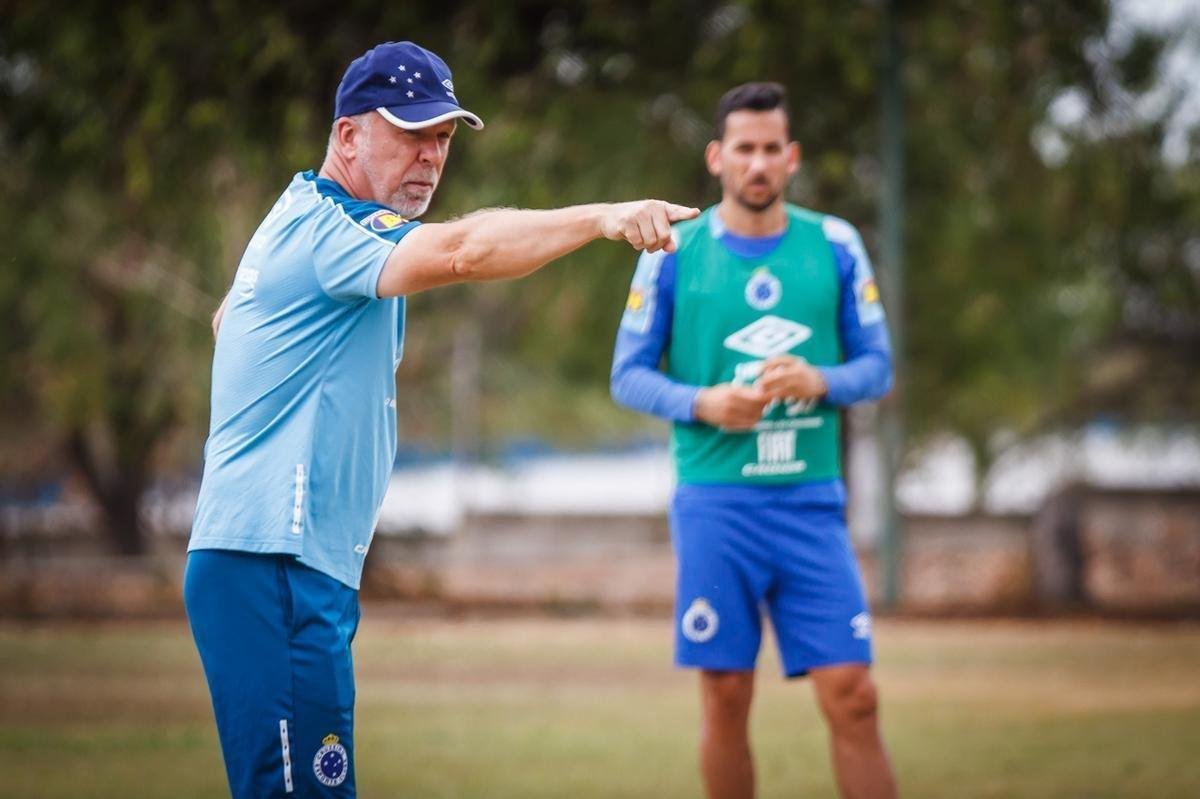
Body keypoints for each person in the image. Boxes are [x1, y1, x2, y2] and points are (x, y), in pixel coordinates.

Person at [185, 40, 697, 798]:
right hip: (274, 562)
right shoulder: (327, 229)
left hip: (288, 562)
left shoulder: (306, 219)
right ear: (347, 135)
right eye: (410, 132)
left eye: (442, 138)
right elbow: (462, 250)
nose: (430, 155)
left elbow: (232, 317)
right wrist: (604, 218)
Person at [610, 82, 898, 799]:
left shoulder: (835, 244)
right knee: (727, 695)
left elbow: (878, 368)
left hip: (810, 502)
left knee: (854, 693)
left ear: (792, 157)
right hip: (716, 506)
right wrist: (703, 401)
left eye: (773, 148)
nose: (759, 163)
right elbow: (628, 376)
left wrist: (820, 382)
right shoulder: (676, 251)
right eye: (745, 148)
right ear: (717, 157)